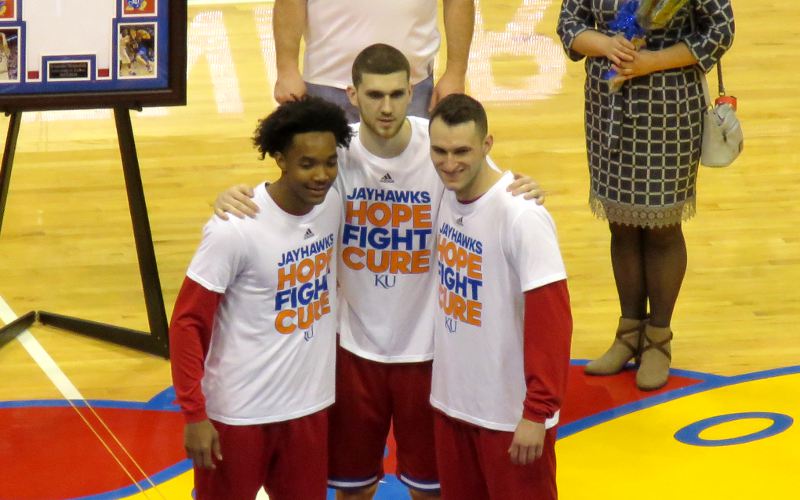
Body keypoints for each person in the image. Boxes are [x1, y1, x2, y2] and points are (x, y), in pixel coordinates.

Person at [214, 44, 543, 500]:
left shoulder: (439, 146)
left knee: (432, 491)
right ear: (352, 94)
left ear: (412, 91)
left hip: (429, 353)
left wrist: (519, 185)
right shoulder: (337, 150)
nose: (385, 107)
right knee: (352, 489)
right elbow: (283, 181)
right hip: (352, 351)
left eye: (396, 94)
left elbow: (486, 181)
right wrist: (233, 196)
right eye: (373, 95)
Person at [169, 96, 352, 500]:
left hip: (309, 409)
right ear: (280, 159)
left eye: (330, 162)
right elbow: (187, 324)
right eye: (307, 164)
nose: (321, 175)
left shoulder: (333, 206)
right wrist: (194, 415)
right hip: (238, 416)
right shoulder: (234, 229)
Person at [557, 0, 735, 390]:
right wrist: (606, 46)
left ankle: (658, 337)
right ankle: (628, 331)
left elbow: (720, 29)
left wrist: (652, 61)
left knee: (662, 229)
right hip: (607, 108)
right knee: (621, 226)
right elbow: (569, 23)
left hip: (669, 109)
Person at [427, 93, 572, 500]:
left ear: (487, 145)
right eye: (439, 151)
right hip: (453, 406)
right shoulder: (444, 192)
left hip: (510, 419)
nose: (449, 163)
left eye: (462, 151)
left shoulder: (522, 216)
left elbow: (553, 323)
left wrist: (537, 413)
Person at [272, 0, 475, 122]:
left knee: (408, 183)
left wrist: (456, 71)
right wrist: (286, 69)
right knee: (324, 185)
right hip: (327, 85)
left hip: (412, 87)